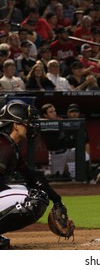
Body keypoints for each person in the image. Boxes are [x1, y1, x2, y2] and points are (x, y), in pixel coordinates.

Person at [0, 102, 70, 249]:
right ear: (16, 125)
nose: (31, 126)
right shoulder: (3, 145)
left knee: (34, 193)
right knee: (34, 199)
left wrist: (57, 200)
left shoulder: (10, 145)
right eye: (27, 122)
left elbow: (32, 177)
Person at [65, 103, 100, 184]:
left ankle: (91, 179)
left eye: (76, 111)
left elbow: (86, 143)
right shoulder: (64, 124)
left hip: (77, 153)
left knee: (85, 155)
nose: (74, 113)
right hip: (65, 153)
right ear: (68, 113)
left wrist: (89, 159)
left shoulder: (82, 125)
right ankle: (90, 179)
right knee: (67, 179)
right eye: (72, 112)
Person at [40, 103, 73, 181]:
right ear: (45, 115)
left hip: (67, 152)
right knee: (56, 179)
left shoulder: (60, 120)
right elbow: (36, 120)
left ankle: (90, 178)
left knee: (84, 155)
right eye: (51, 112)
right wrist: (47, 121)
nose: (54, 113)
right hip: (56, 155)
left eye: (54, 111)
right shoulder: (42, 124)